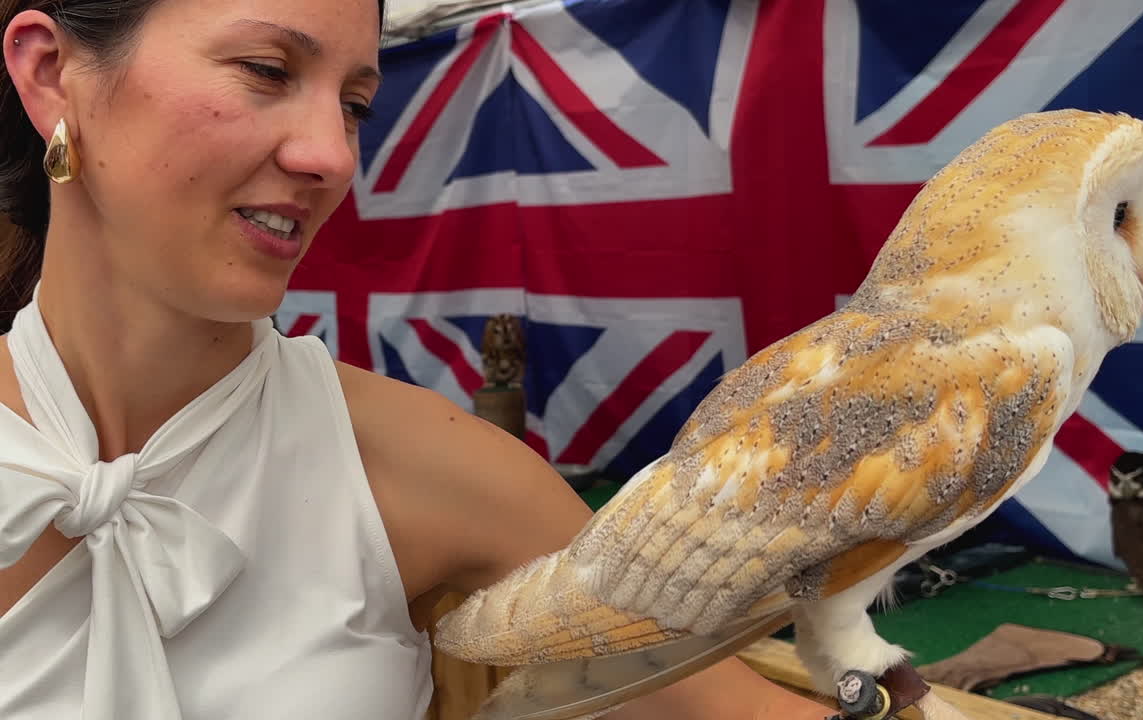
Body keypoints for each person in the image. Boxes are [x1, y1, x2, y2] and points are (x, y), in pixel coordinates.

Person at [0, 1, 835, 718]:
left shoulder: (433, 467)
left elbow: (733, 707)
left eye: (356, 105)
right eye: (265, 69)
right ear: (48, 73)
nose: (332, 156)